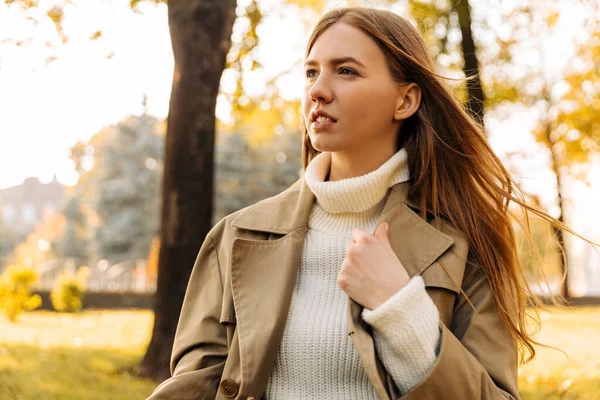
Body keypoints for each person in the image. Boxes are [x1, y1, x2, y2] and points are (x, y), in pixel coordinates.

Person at [147, 7, 572, 400]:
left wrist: (402, 310)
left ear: (405, 100)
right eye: (311, 72)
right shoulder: (236, 236)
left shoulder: (465, 244)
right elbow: (194, 386)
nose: (318, 90)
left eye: (346, 71)